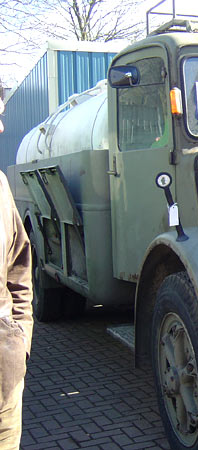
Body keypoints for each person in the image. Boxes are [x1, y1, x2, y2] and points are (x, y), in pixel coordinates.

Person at [0, 95, 33, 449]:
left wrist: (19, 337)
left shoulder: (0, 187)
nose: (1, 127)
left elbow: (19, 267)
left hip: (4, 375)